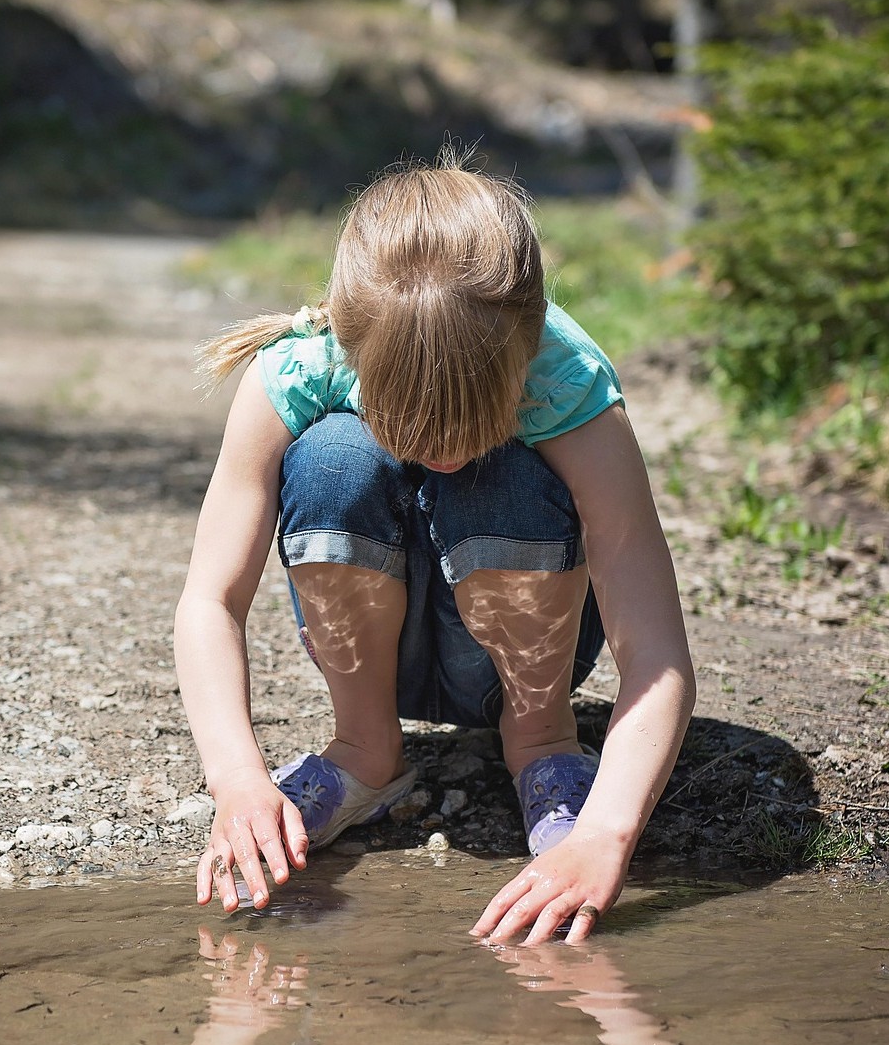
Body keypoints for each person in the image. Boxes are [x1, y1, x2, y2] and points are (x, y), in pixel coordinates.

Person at [173, 152, 696, 945]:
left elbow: (656, 654)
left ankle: (542, 744)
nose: (444, 452)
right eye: (412, 427)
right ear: (352, 351)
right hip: (382, 655)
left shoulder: (566, 383)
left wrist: (605, 834)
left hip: (527, 661)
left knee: (504, 476)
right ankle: (365, 750)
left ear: (526, 352)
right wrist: (238, 780)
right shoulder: (302, 369)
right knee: (335, 458)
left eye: (472, 422)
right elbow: (210, 600)